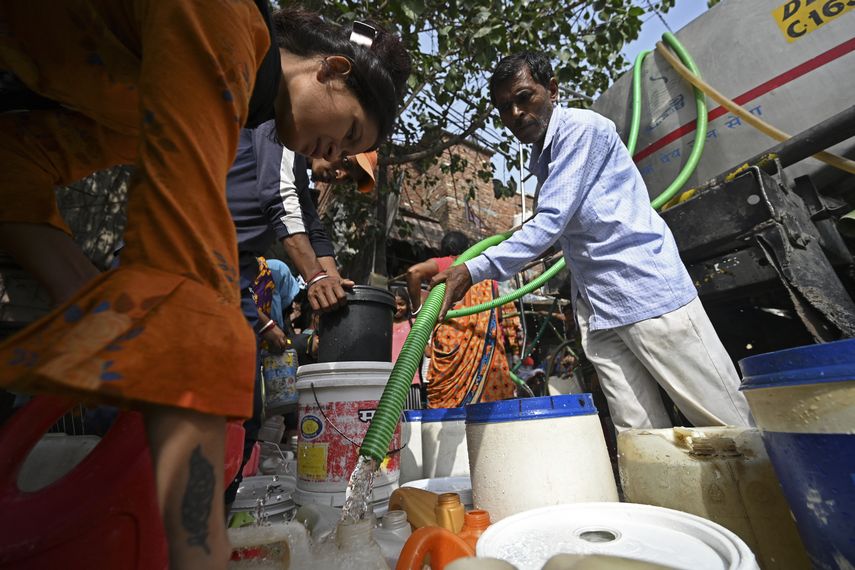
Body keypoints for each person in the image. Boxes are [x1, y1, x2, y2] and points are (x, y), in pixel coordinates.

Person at [0, 3, 411, 567]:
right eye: (350, 132)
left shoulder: (150, 103)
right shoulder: (223, 21)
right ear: (331, 70)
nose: (336, 154)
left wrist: (93, 313)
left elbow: (14, 163)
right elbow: (186, 264)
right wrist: (200, 549)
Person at [433, 52, 752, 432]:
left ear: (552, 89)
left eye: (524, 97)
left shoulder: (580, 130)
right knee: (640, 435)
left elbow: (549, 223)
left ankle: (771, 489)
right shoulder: (544, 158)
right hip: (600, 309)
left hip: (644, 293)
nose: (516, 113)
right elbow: (560, 227)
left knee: (725, 421)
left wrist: (473, 268)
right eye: (505, 107)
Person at [408, 231, 516, 408]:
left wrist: (417, 310)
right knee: (489, 412)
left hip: (450, 345)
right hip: (486, 347)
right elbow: (498, 314)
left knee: (446, 416)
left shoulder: (446, 264)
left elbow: (413, 272)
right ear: (469, 248)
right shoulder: (484, 270)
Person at [391, 286, 423, 409]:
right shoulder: (383, 324)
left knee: (411, 422)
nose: (398, 308)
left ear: (408, 305)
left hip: (410, 380)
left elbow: (427, 351)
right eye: (395, 304)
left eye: (401, 304)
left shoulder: (414, 324)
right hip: (387, 380)